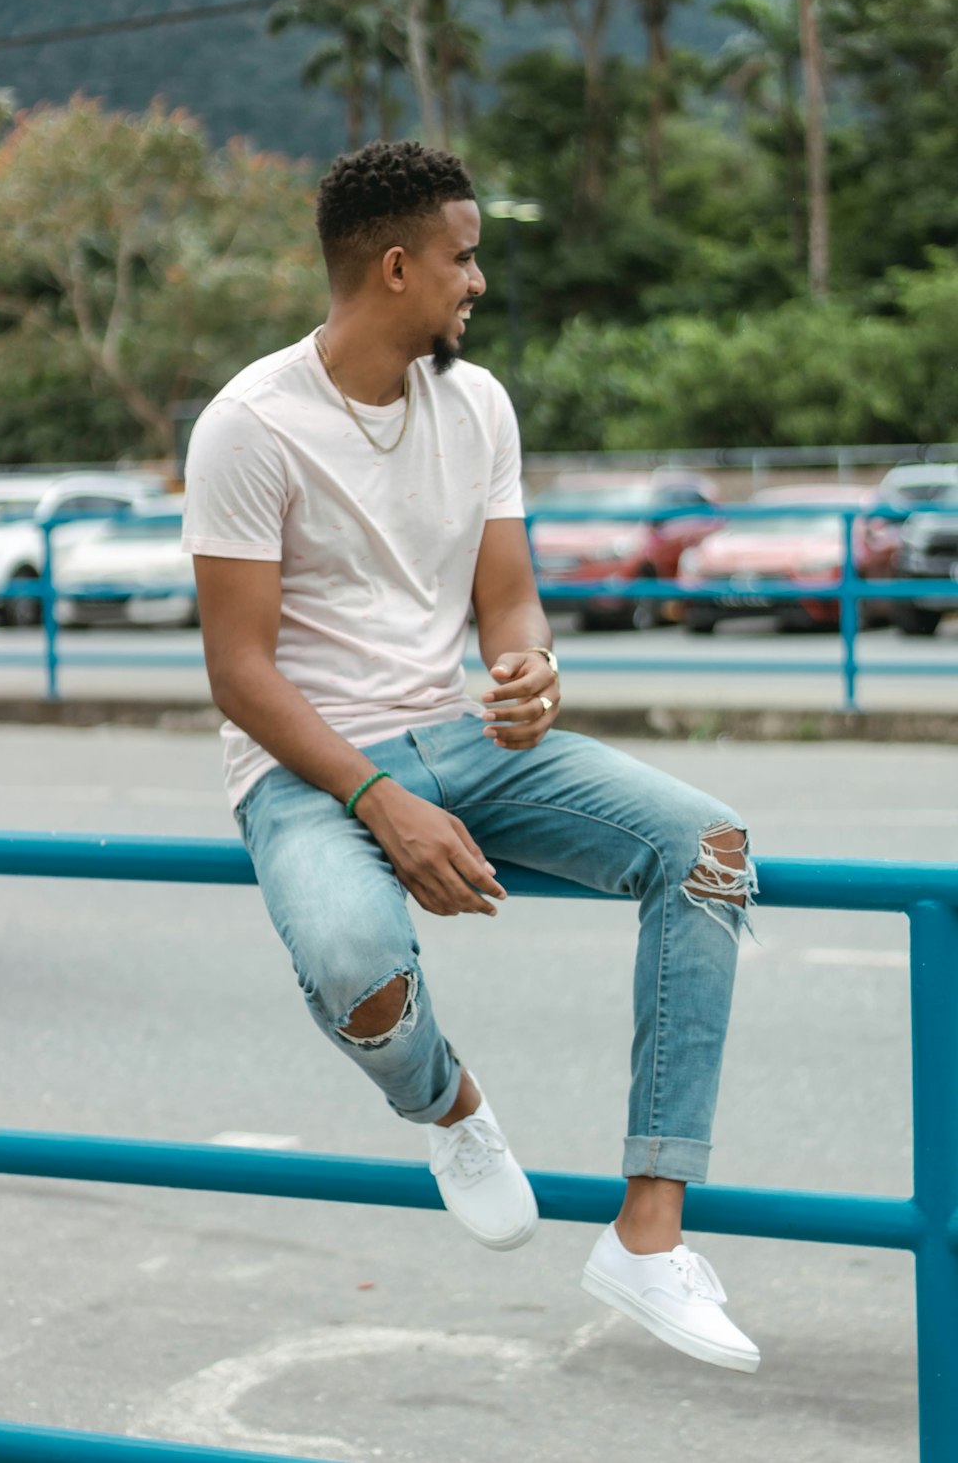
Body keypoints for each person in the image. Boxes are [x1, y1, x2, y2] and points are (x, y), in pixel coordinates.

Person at [181, 139, 760, 1374]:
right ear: (395, 267)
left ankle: (648, 1239)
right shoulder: (248, 425)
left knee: (707, 848)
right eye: (463, 255)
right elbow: (239, 672)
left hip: (459, 738)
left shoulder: (477, 402)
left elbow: (508, 597)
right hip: (307, 766)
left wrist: (529, 667)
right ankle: (448, 1107)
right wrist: (380, 800)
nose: (477, 280)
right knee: (354, 962)